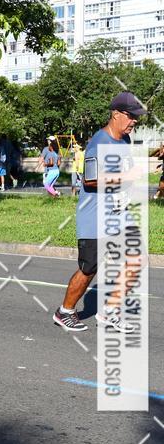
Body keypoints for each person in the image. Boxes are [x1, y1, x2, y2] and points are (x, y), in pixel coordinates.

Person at [53, 91, 145, 332]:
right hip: (94, 217)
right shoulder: (99, 142)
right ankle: (65, 312)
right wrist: (127, 176)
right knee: (89, 268)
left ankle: (109, 312)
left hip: (118, 213)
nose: (134, 121)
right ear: (116, 114)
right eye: (131, 116)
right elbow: (90, 180)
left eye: (136, 117)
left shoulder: (125, 140)